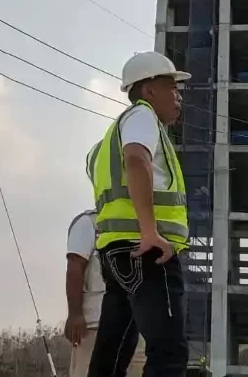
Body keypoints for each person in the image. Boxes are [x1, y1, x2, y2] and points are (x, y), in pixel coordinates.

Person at [86, 51, 191, 377]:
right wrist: (149, 231)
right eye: (172, 88)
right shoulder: (143, 118)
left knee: (111, 355)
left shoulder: (104, 143)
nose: (178, 97)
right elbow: (136, 160)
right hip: (147, 252)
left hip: (116, 255)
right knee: (169, 352)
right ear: (148, 91)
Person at [65, 206, 146, 376]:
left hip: (136, 328)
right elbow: (75, 266)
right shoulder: (90, 223)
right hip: (95, 326)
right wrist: (75, 314)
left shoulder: (144, 223)